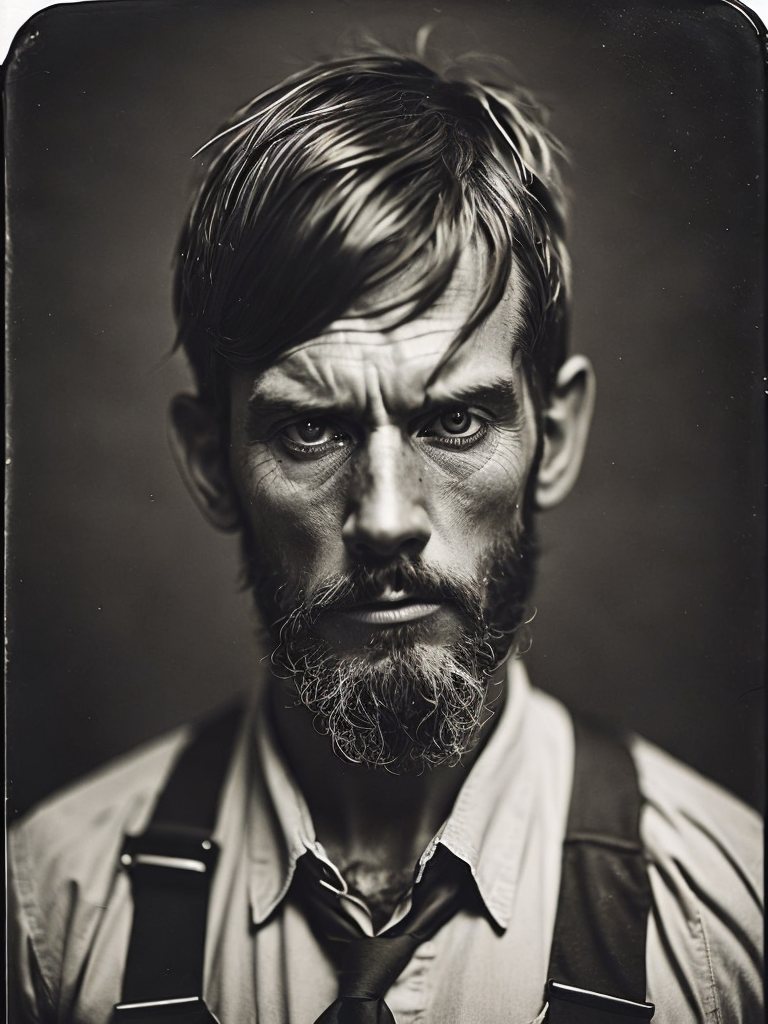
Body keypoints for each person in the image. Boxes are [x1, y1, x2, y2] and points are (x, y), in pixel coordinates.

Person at [8, 48, 762, 1024]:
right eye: (309, 429)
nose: (387, 517)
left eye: (454, 421)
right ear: (211, 463)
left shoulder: (729, 921)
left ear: (557, 436)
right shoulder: (47, 921)